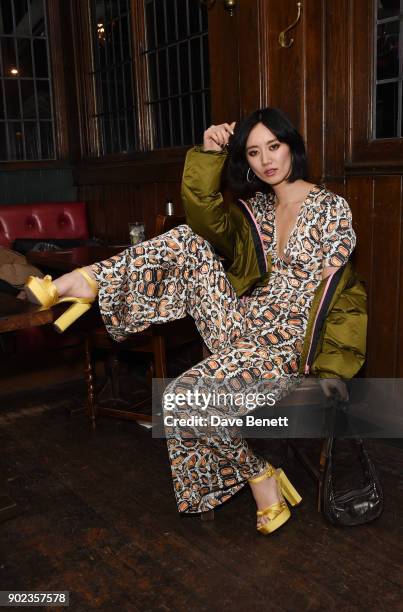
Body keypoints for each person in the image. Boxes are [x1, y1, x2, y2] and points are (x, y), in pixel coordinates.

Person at [24, 107, 367, 535]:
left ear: (291, 147)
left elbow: (346, 296)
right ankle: (85, 281)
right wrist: (208, 153)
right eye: (254, 152)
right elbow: (204, 218)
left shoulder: (331, 209)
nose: (267, 160)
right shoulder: (254, 211)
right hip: (240, 325)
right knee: (188, 238)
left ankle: (259, 474)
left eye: (274, 147)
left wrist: (334, 370)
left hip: (287, 345)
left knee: (180, 399)